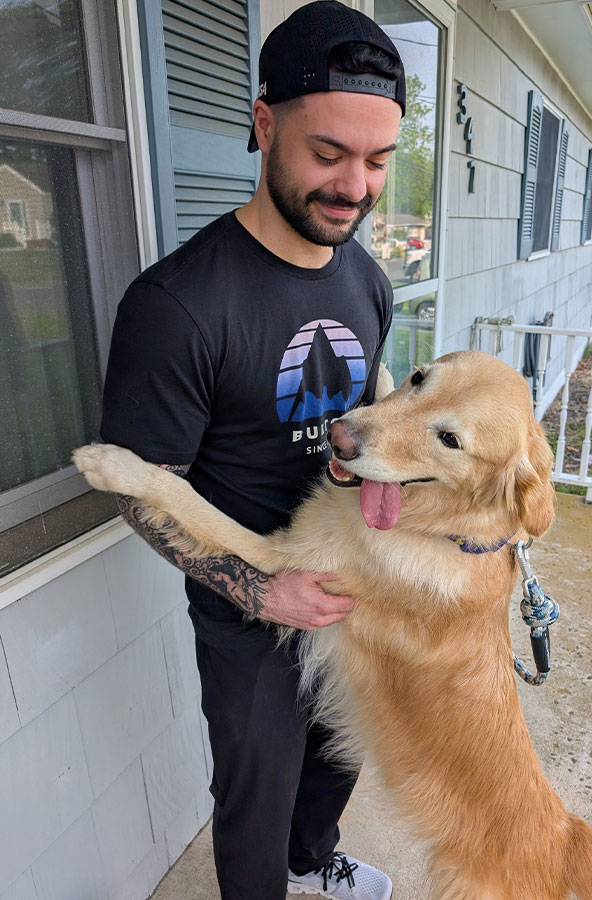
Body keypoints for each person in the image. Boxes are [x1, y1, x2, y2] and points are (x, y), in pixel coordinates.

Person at [99, 3, 405, 898]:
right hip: (249, 611)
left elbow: (367, 403)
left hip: (354, 579)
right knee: (256, 797)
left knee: (340, 758)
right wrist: (261, 588)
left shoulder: (364, 275)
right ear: (264, 125)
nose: (355, 187)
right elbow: (141, 490)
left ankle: (315, 864)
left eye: (378, 161)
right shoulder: (175, 305)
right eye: (327, 153)